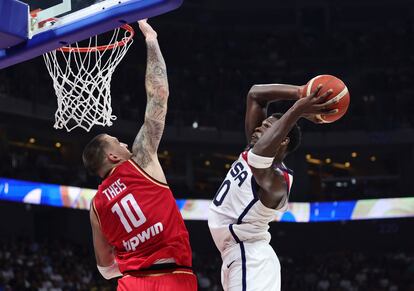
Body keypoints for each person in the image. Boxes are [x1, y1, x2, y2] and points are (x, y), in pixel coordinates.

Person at [82, 20, 197, 291]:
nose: (124, 143)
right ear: (112, 157)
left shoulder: (96, 206)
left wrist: (133, 255)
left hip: (132, 283)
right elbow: (159, 95)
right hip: (172, 277)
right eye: (117, 142)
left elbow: (105, 268)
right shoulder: (141, 161)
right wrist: (151, 39)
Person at [208, 82, 338, 291]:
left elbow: (259, 158)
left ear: (282, 140)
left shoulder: (278, 180)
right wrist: (300, 92)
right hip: (239, 255)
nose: (258, 128)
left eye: (267, 127)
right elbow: (255, 94)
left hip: (251, 258)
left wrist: (298, 110)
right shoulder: (253, 150)